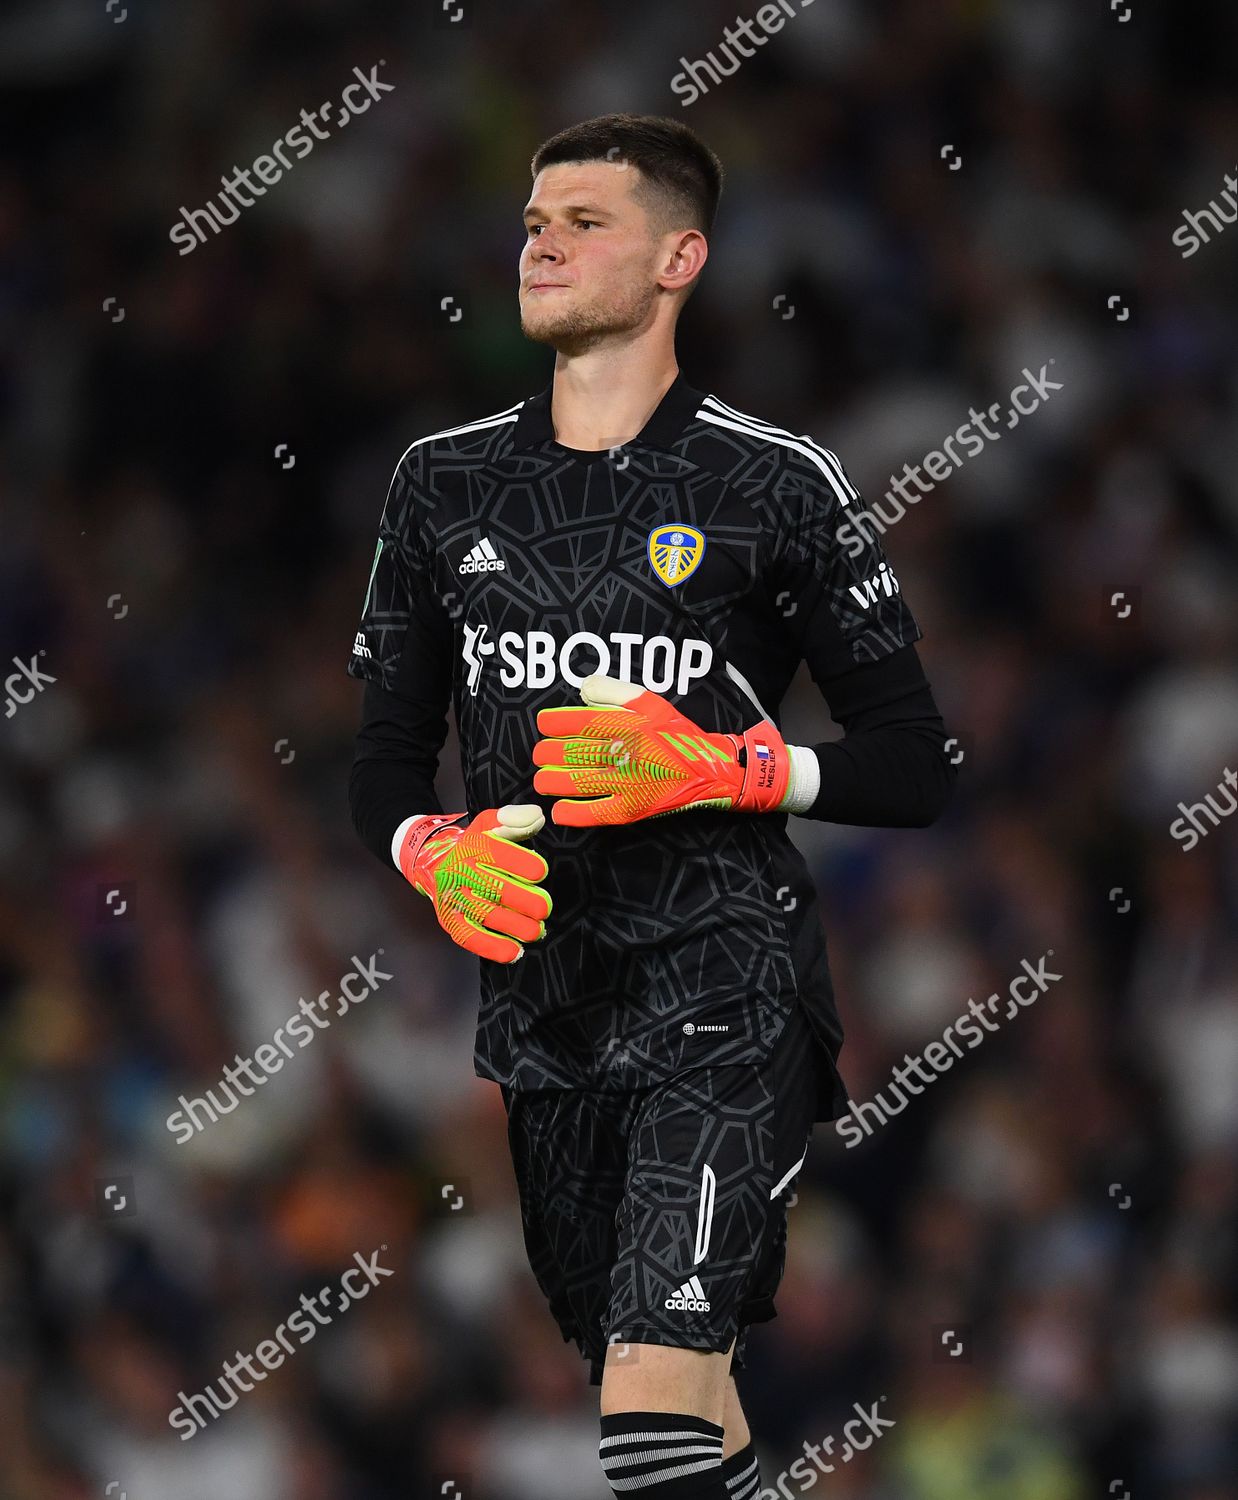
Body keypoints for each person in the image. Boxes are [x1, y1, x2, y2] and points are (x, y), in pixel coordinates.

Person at [347, 111, 954, 1500]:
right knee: (681, 1410)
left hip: (724, 984)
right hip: (544, 1004)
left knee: (645, 1418)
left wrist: (737, 767)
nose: (540, 243)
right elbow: (382, 750)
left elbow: (914, 760)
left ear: (680, 257)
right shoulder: (440, 483)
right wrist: (424, 848)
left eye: (583, 221)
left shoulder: (770, 479)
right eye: (531, 220)